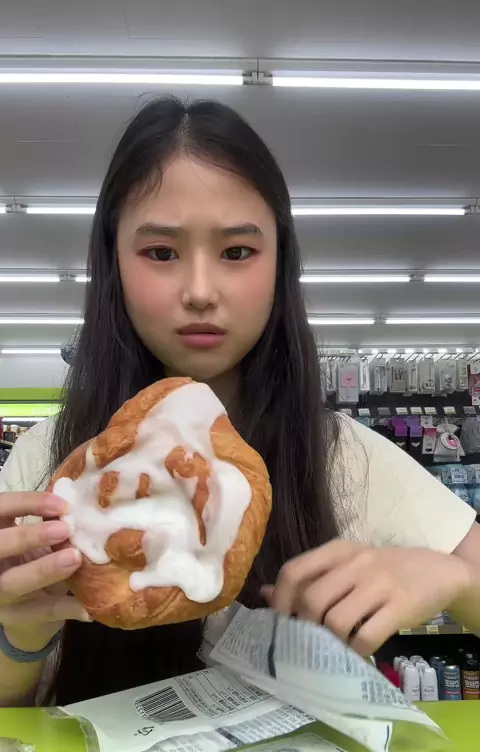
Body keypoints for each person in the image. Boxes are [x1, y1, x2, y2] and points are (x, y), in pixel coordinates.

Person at [1, 97, 480, 709]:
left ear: (281, 264)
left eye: (236, 252)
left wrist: (451, 578)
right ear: (113, 261)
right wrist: (20, 634)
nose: (200, 292)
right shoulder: (50, 468)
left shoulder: (344, 457)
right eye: (161, 253)